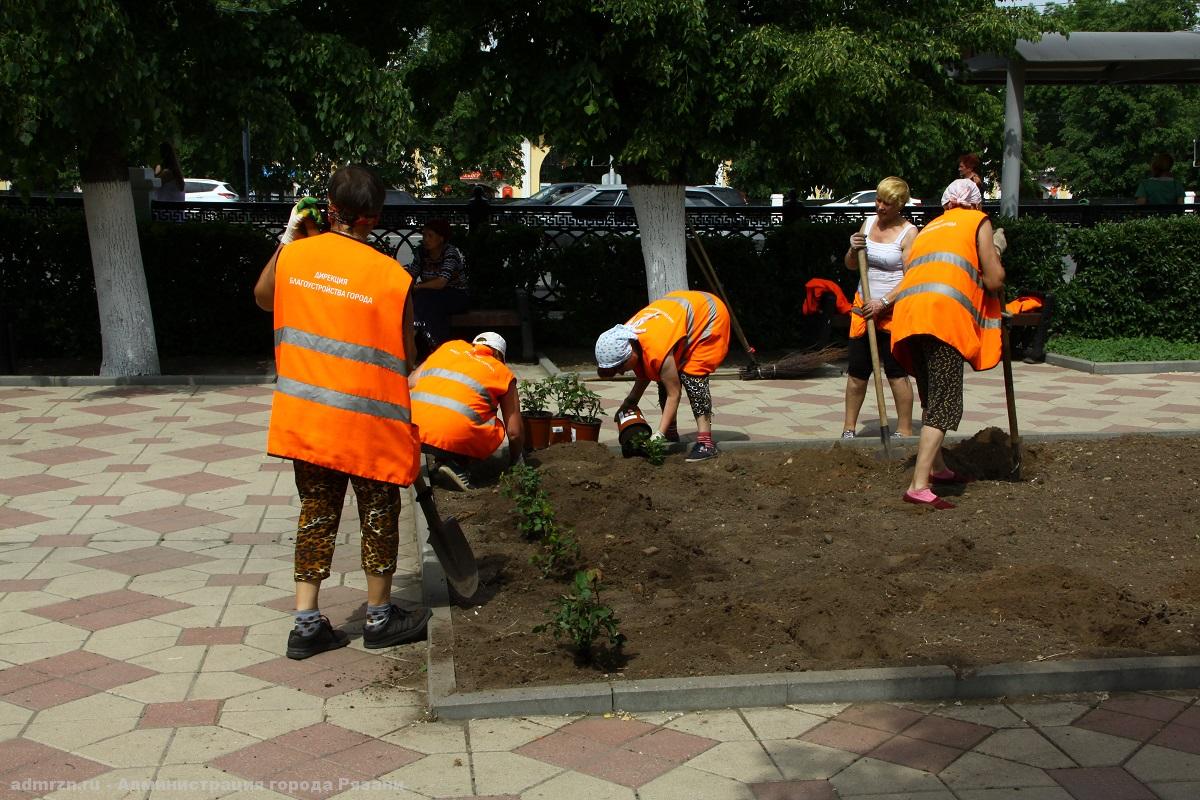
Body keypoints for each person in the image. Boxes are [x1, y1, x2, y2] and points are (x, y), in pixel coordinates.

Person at [253, 164, 431, 659]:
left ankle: (306, 624)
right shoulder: (393, 277)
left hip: (309, 418)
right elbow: (406, 356)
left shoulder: (295, 256)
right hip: (369, 423)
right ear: (375, 216)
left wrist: (288, 238)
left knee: (316, 511)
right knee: (378, 512)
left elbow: (263, 299)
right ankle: (379, 618)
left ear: (328, 207)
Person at [890, 178, 1005, 510]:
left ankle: (938, 468)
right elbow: (994, 279)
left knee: (931, 396)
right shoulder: (977, 221)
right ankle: (919, 485)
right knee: (945, 403)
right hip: (943, 318)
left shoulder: (930, 227)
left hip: (910, 316)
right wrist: (997, 249)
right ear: (976, 203)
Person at [594, 290, 731, 462]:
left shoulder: (656, 349)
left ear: (630, 352)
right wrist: (629, 402)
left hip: (709, 315)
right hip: (684, 308)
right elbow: (647, 372)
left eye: (620, 366)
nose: (621, 372)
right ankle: (671, 434)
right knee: (663, 377)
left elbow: (674, 393)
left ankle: (706, 444)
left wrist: (658, 434)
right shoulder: (627, 336)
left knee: (693, 377)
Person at [841, 176, 917, 440]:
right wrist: (853, 250)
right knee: (857, 373)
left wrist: (883, 302)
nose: (880, 207)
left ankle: (904, 430)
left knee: (896, 373)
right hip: (863, 308)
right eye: (878, 200)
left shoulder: (909, 233)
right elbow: (851, 264)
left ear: (900, 205)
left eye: (887, 203)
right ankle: (849, 429)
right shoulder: (869, 223)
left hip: (892, 312)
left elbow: (911, 279)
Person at [409, 331, 524, 491]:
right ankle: (458, 464)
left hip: (411, 430)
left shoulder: (449, 347)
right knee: (495, 426)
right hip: (452, 434)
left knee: (451, 414)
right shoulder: (502, 373)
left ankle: (444, 458)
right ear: (500, 356)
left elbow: (411, 381)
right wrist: (516, 460)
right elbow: (514, 432)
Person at [403, 218, 469, 349]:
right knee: (428, 302)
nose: (426, 239)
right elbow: (411, 274)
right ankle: (435, 345)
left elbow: (441, 282)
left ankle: (414, 336)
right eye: (424, 235)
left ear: (441, 238)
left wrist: (418, 287)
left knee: (427, 299)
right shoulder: (422, 253)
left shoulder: (450, 253)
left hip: (456, 295)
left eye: (430, 236)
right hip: (431, 297)